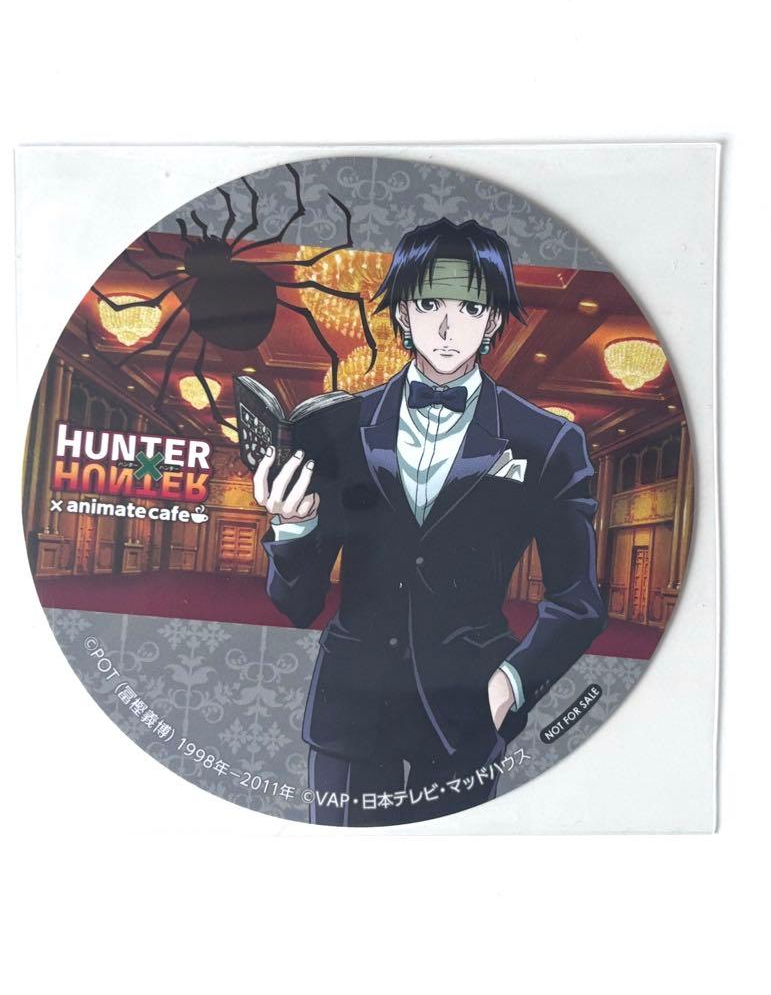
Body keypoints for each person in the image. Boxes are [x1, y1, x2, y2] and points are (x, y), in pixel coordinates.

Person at [251, 218, 606, 825]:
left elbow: (578, 602)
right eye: (429, 304)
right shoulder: (338, 426)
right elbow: (297, 605)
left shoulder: (548, 441)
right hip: (350, 710)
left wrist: (511, 686)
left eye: (470, 308)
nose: (446, 328)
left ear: (493, 321)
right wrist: (294, 528)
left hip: (468, 710)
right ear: (402, 312)